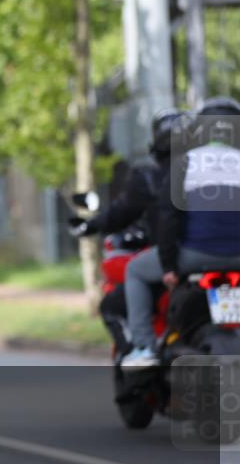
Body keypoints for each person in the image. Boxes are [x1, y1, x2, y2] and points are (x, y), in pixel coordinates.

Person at [122, 97, 240, 369]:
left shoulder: (186, 162)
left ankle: (144, 348)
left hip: (196, 256)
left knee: (135, 271)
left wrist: (169, 265)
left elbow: (169, 218)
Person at [68, 109, 184, 350]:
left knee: (125, 285)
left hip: (179, 260)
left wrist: (92, 224)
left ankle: (143, 350)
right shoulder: (209, 174)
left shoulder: (151, 178)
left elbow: (121, 214)